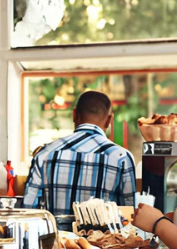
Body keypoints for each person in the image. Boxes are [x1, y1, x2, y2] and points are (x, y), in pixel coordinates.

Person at [22, 90, 136, 225]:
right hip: (103, 244)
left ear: (74, 115)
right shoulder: (121, 157)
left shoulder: (45, 153)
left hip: (56, 244)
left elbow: (28, 213)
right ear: (109, 120)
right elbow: (128, 217)